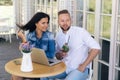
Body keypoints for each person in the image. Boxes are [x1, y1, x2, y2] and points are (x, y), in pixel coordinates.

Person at [41, 10, 101, 80]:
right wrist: (60, 54)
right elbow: (58, 56)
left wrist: (83, 65)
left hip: (79, 69)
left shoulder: (81, 32)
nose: (65, 23)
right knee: (44, 75)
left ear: (71, 20)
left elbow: (96, 48)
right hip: (63, 68)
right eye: (62, 21)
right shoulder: (58, 35)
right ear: (58, 22)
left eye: (67, 20)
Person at [11, 12, 55, 80]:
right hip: (32, 63)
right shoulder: (30, 35)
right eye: (43, 23)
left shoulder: (50, 35)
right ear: (36, 23)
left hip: (45, 65)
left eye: (47, 22)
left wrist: (37, 55)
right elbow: (27, 51)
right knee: (15, 75)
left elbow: (51, 54)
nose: (46, 25)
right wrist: (23, 38)